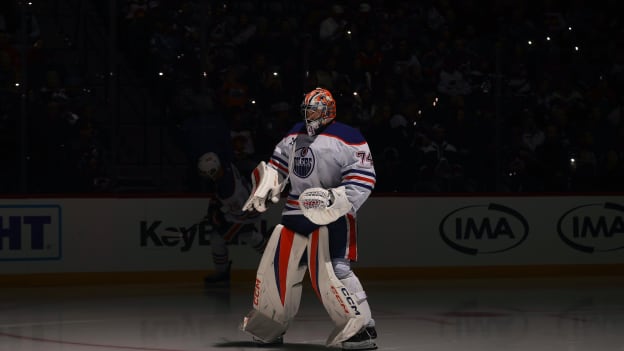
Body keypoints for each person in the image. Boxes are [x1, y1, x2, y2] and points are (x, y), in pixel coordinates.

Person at [239, 87, 378, 350]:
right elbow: (278, 164)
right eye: (306, 110)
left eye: (314, 110)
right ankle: (270, 324)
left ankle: (362, 327)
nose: (309, 115)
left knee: (335, 272)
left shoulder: (348, 136)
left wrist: (336, 200)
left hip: (332, 216)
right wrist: (268, 184)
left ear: (328, 111)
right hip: (294, 213)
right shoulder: (294, 132)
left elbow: (363, 179)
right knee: (277, 270)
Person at [197, 151, 268, 285]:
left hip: (246, 213)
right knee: (248, 235)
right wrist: (216, 206)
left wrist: (220, 218)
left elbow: (240, 216)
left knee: (217, 238)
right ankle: (278, 260)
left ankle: (222, 272)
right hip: (249, 204)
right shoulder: (224, 166)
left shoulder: (228, 191)